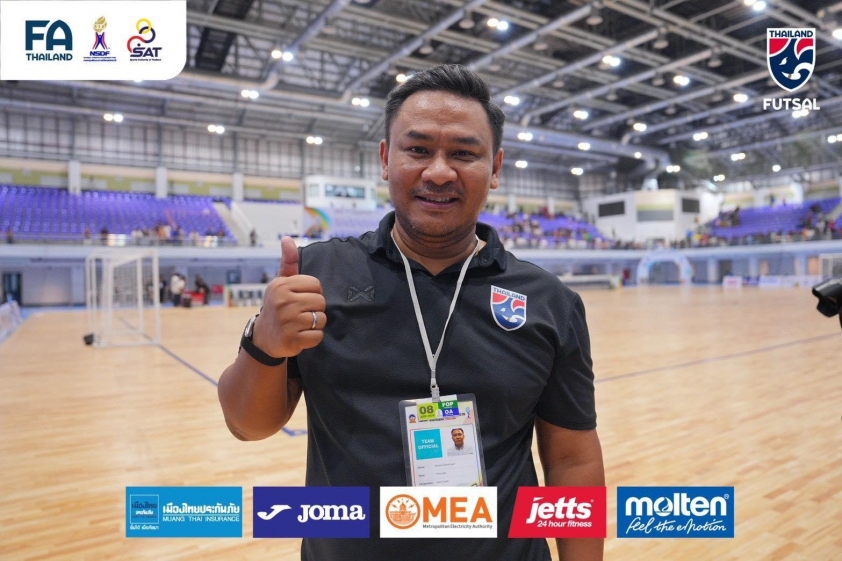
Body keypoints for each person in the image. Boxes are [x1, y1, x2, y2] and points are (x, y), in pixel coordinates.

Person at [218, 64, 603, 560]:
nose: (439, 172)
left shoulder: (549, 301)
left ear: (495, 168)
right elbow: (248, 426)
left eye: (463, 153)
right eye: (418, 150)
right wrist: (264, 346)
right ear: (386, 158)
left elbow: (572, 461)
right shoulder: (317, 276)